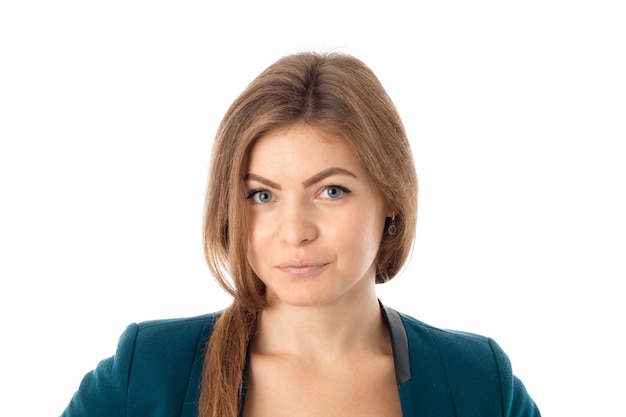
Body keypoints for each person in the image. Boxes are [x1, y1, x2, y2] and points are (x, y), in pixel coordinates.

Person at [61, 52, 541, 417]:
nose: (295, 232)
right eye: (262, 196)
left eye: (331, 190)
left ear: (390, 195)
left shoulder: (478, 382)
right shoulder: (145, 373)